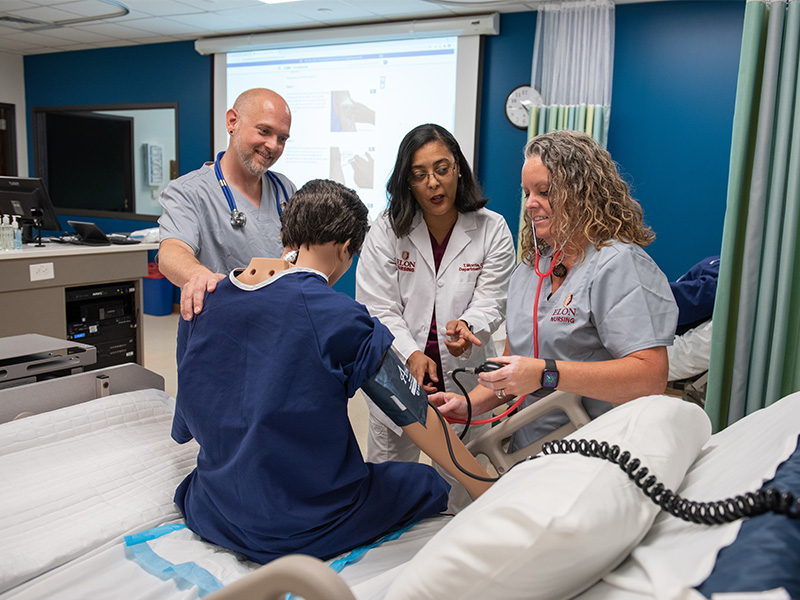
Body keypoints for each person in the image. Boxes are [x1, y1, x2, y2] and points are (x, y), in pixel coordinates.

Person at [171, 179, 490, 565]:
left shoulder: (201, 299)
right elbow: (415, 413)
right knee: (425, 483)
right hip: (303, 525)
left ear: (287, 234)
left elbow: (186, 426)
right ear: (345, 250)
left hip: (214, 510)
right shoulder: (339, 316)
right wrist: (488, 490)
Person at [431, 130, 678, 452]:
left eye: (545, 192)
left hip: (602, 446)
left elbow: (649, 377)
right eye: (527, 192)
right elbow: (515, 367)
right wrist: (468, 404)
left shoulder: (618, 264)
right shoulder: (529, 272)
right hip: (530, 447)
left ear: (583, 192)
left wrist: (547, 374)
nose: (531, 204)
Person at [356, 123, 516, 509]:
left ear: (458, 168)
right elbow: (377, 305)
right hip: (398, 371)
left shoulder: (491, 229)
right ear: (406, 181)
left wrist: (469, 326)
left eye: (442, 169)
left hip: (464, 374)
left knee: (463, 491)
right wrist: (410, 352)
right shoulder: (387, 230)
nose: (433, 183)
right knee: (389, 489)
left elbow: (493, 297)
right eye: (419, 174)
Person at [158, 88, 296, 321]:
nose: (273, 145)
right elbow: (171, 252)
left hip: (277, 324)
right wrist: (198, 275)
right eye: (264, 131)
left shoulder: (285, 189)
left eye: (282, 139)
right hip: (221, 326)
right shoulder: (189, 191)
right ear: (232, 122)